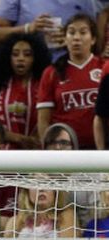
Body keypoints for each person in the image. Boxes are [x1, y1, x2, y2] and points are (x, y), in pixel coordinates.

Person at [36, 14, 102, 149]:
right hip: (64, 151)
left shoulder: (105, 68)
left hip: (101, 149)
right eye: (71, 32)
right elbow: (43, 120)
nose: (76, 38)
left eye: (83, 32)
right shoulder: (51, 73)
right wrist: (47, 152)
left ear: (93, 39)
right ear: (65, 38)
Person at [0, 33, 50, 149]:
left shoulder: (45, 84)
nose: (20, 58)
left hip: (38, 154)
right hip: (2, 156)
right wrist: (19, 139)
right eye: (15, 54)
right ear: (8, 57)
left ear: (36, 58)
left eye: (27, 54)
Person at [3, 177, 77, 240]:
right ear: (27, 192)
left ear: (56, 191)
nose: (41, 189)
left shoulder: (66, 216)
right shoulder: (15, 221)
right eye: (35, 184)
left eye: (46, 183)